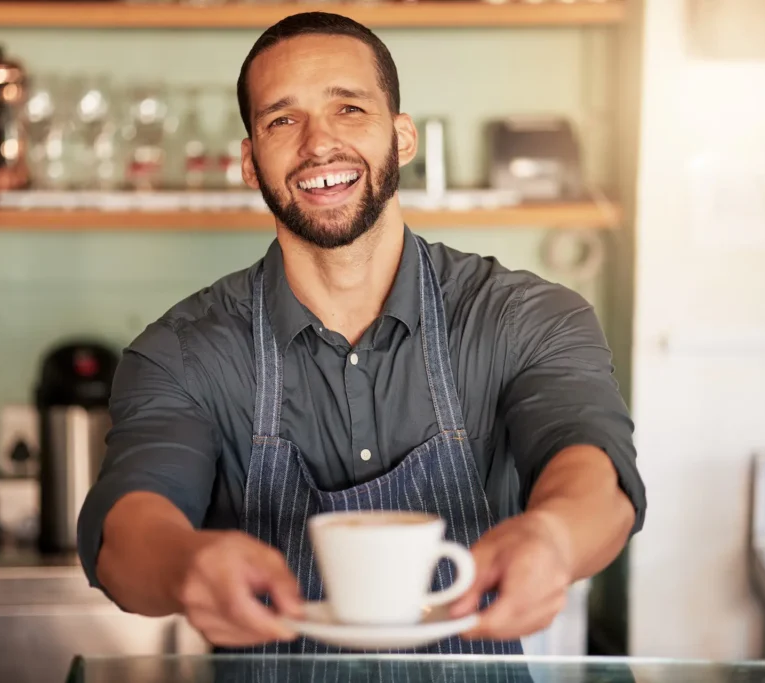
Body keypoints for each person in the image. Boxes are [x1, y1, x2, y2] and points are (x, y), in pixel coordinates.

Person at [77, 11, 646, 655]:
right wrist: (186, 566)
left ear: (401, 137)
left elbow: (594, 468)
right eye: (282, 120)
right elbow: (128, 527)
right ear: (248, 160)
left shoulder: (526, 318)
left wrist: (555, 538)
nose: (318, 144)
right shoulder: (182, 352)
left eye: (349, 108)